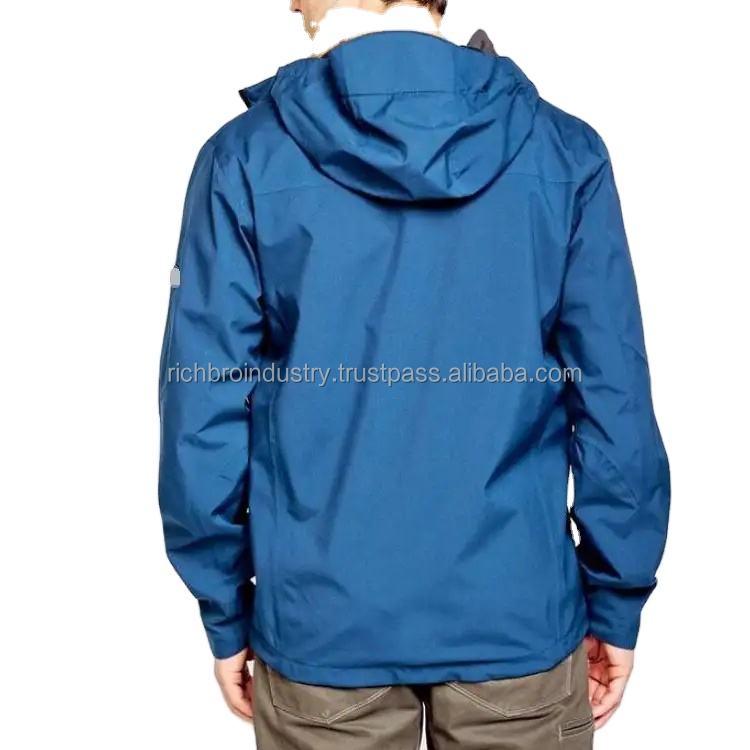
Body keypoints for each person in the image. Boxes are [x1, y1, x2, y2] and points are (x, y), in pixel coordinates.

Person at [158, 1, 670, 747]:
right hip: (515, 615)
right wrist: (617, 597)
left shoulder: (244, 157)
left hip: (323, 625)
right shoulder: (563, 151)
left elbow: (202, 410)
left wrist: (224, 607)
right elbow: (613, 395)